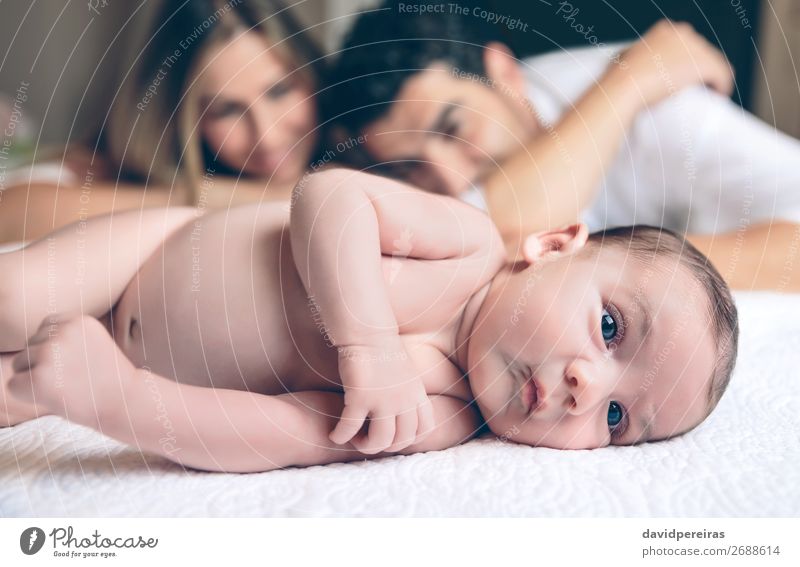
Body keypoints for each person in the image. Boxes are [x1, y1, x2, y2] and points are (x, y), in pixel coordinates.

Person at [0, 168, 738, 473]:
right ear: (550, 247)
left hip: (133, 361)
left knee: (23, 388)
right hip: (148, 254)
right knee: (13, 295)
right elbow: (329, 197)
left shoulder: (439, 412)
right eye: (610, 329)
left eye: (616, 417)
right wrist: (368, 344)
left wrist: (115, 399)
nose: (586, 385)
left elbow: (273, 436)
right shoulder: (466, 244)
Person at [325, 3, 800, 292]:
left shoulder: (665, 109)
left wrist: (619, 265)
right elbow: (501, 236)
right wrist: (628, 82)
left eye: (453, 129)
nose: (446, 180)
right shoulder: (636, 80)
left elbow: (507, 237)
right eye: (410, 167)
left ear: (504, 73)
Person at [0, 0, 324, 244]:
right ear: (181, 119)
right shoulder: (114, 171)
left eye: (280, 91)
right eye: (226, 110)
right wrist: (216, 195)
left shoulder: (355, 142)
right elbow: (10, 214)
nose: (266, 135)